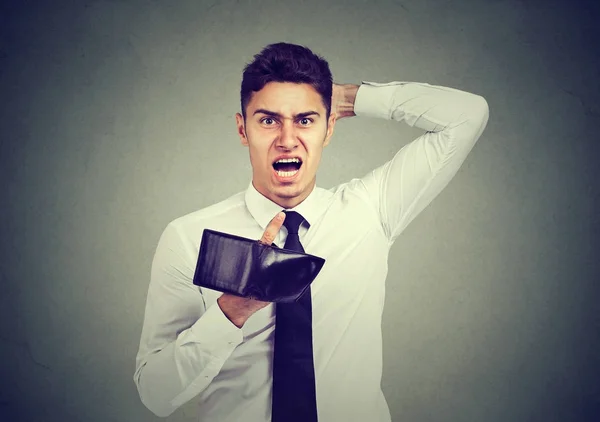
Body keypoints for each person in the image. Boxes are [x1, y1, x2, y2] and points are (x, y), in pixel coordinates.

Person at [133, 42, 489, 421]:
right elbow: (155, 393)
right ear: (242, 129)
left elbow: (467, 115)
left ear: (329, 128)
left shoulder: (371, 210)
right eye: (268, 120)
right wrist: (231, 312)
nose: (287, 139)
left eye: (305, 120)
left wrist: (351, 97)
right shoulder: (189, 237)